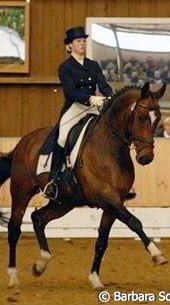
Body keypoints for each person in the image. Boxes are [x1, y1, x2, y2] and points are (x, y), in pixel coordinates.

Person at [43, 26, 113, 200]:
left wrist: (111, 97)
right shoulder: (65, 67)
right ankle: (52, 181)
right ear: (69, 46)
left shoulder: (93, 65)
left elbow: (103, 86)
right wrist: (90, 98)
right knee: (61, 136)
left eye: (84, 41)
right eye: (78, 41)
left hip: (95, 105)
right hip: (76, 107)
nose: (82, 44)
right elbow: (70, 92)